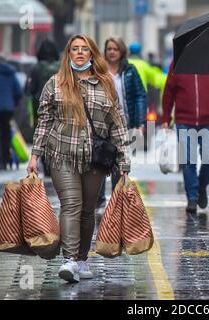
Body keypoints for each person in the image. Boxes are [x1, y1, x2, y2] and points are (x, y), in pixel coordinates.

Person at [26, 34, 131, 283]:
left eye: (85, 49)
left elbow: (118, 126)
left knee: (87, 210)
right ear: (69, 54)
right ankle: (70, 259)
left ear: (93, 54)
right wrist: (35, 155)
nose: (80, 53)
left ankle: (82, 258)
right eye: (75, 49)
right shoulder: (56, 83)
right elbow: (43, 122)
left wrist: (124, 162)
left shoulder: (105, 84)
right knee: (71, 205)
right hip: (62, 155)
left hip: (95, 160)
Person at [162, 61, 209, 214]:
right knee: (188, 161)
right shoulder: (177, 63)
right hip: (184, 120)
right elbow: (169, 91)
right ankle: (192, 197)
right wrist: (165, 117)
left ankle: (201, 186)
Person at [95, 36, 146, 208]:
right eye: (109, 48)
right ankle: (99, 198)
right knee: (101, 160)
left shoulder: (130, 70)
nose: (111, 52)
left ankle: (117, 199)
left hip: (124, 123)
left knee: (119, 161)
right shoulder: (99, 70)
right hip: (101, 123)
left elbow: (140, 95)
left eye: (115, 49)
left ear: (121, 51)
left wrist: (140, 122)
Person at [27, 39, 60, 129]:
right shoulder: (61, 67)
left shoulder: (36, 67)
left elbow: (31, 89)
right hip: (58, 107)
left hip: (40, 107)